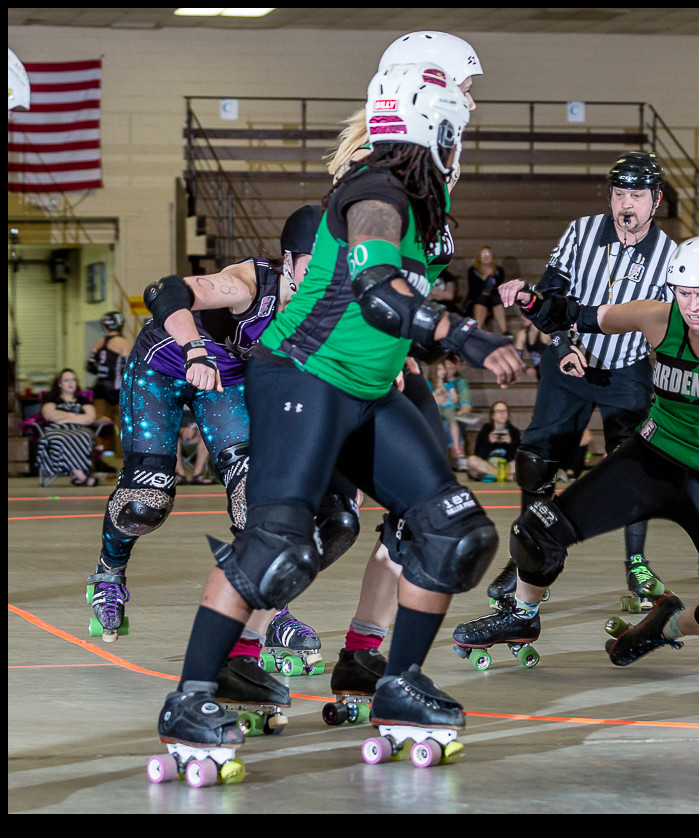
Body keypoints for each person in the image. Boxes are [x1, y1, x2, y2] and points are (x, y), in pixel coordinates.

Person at [156, 61, 520, 753]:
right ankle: (193, 697)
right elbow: (378, 289)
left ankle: (401, 682)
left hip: (369, 388)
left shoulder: (423, 195)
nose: (469, 112)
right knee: (277, 548)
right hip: (302, 376)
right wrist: (461, 334)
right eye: (464, 98)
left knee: (454, 531)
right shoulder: (377, 187)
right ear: (429, 107)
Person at [453, 236, 699, 664]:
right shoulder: (659, 316)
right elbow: (574, 315)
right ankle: (522, 613)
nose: (693, 306)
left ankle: (664, 625)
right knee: (537, 531)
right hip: (652, 461)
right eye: (684, 294)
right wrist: (530, 300)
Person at [88, 205, 330, 692]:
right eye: (314, 263)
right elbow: (163, 290)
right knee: (145, 503)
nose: (326, 274)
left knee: (254, 495)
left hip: (225, 384)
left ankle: (271, 611)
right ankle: (108, 572)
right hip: (166, 364)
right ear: (287, 261)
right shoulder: (246, 284)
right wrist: (197, 348)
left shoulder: (323, 304)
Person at [320, 31, 489, 708]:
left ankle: (369, 657)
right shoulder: (374, 169)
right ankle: (236, 657)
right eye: (464, 87)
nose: (471, 102)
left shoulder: (432, 166)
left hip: (396, 361)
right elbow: (353, 277)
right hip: (348, 365)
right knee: (315, 526)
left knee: (421, 522)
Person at [485, 150, 677, 611]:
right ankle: (527, 556)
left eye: (635, 195)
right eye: (618, 194)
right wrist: (560, 345)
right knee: (534, 462)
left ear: (656, 200)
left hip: (626, 369)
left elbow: (670, 328)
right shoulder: (581, 231)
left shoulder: (671, 256)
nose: (625, 205)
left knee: (634, 465)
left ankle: (636, 562)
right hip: (567, 359)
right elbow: (550, 298)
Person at [37, 368, 101, 486]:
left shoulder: (83, 400)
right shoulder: (52, 399)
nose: (71, 383)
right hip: (57, 430)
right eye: (66, 380)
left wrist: (64, 418)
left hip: (80, 429)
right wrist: (77, 415)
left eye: (73, 380)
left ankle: (78, 475)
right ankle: (81, 475)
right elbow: (49, 415)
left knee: (84, 435)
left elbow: (90, 418)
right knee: (60, 438)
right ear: (59, 384)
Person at [87, 310, 131, 465]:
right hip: (116, 388)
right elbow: (127, 368)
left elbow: (90, 366)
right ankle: (124, 459)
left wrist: (103, 370)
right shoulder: (123, 342)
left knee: (100, 424)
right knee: (124, 425)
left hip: (99, 386)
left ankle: (97, 458)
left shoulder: (100, 342)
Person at [433, 354, 476, 469]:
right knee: (443, 423)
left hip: (454, 415)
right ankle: (457, 457)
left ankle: (455, 457)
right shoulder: (433, 382)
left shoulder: (459, 382)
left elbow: (466, 405)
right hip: (437, 414)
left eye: (453, 363)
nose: (451, 366)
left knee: (449, 423)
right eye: (447, 364)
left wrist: (460, 412)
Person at [467, 401, 521, 481]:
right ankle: (503, 476)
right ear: (492, 415)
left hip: (505, 465)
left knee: (521, 463)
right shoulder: (486, 429)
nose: (502, 414)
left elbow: (517, 456)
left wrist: (510, 443)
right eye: (498, 411)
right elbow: (478, 454)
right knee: (472, 460)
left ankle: (493, 475)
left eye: (504, 411)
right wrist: (489, 442)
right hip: (488, 465)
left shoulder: (513, 431)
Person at [464, 246, 508, 334]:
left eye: (488, 254)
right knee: (481, 299)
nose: (486, 256)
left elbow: (499, 287)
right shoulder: (473, 270)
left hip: (493, 299)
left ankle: (505, 332)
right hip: (475, 299)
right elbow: (473, 289)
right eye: (483, 254)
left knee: (496, 300)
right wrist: (485, 278)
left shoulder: (498, 270)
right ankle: (478, 331)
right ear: (479, 257)